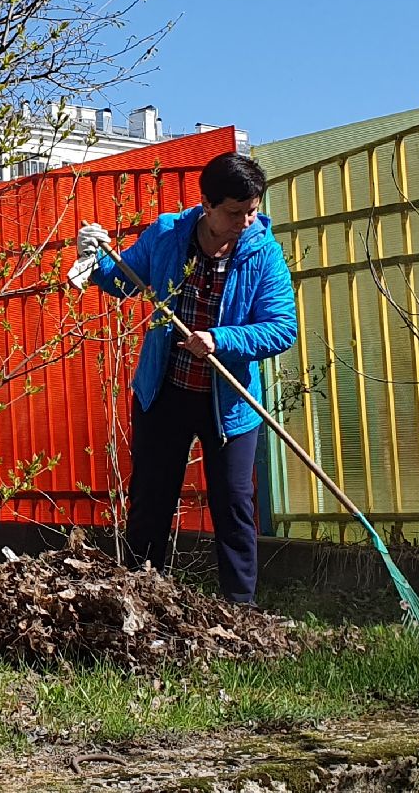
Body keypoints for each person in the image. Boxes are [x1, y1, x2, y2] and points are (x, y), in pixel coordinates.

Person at [71, 151, 297, 605]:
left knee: (234, 506)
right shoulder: (168, 236)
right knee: (151, 499)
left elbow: (282, 328)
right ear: (207, 204)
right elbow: (124, 279)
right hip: (165, 392)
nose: (246, 222)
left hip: (229, 404)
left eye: (252, 210)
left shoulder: (264, 254)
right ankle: (140, 596)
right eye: (235, 212)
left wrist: (220, 339)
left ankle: (241, 607)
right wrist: (94, 257)